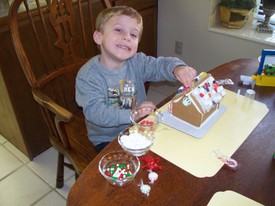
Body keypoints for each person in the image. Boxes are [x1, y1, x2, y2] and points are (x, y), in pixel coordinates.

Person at [75, 6, 197, 152]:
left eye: (133, 34)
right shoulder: (88, 76)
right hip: (107, 139)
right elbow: (97, 113)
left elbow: (159, 65)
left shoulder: (137, 62)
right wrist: (134, 114)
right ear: (99, 37)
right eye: (119, 30)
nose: (127, 37)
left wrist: (177, 68)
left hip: (139, 126)